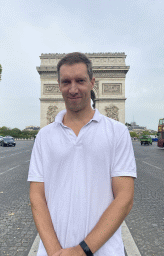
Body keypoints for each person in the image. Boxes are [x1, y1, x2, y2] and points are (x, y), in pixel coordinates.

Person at [28, 52, 137, 256]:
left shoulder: (118, 132)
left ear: (93, 82)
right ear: (58, 85)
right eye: (66, 82)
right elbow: (36, 197)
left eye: (80, 80)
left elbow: (125, 197)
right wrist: (54, 252)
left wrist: (81, 251)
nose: (73, 88)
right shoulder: (44, 136)